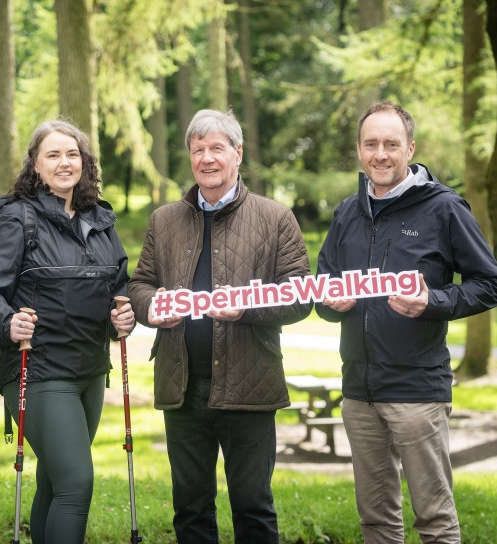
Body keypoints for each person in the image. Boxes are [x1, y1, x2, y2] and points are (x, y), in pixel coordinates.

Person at [315, 100, 497, 543]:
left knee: (435, 521)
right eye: (370, 144)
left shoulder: (443, 209)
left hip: (417, 392)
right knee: (376, 522)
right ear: (360, 151)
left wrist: (433, 301)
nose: (380, 154)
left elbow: (490, 283)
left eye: (390, 144)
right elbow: (323, 288)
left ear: (410, 148)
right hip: (358, 393)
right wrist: (332, 304)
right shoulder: (347, 212)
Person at [127, 108, 312, 544]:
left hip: (250, 386)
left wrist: (245, 308)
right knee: (190, 508)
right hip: (182, 386)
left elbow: (301, 294)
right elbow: (139, 285)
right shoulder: (163, 220)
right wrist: (154, 306)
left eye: (216, 148)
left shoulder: (275, 218)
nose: (207, 158)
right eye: (198, 150)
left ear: (237, 153)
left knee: (253, 506)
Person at [0, 120, 134, 544]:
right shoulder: (14, 219)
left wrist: (122, 315)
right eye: (54, 155)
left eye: (73, 154)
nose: (65, 163)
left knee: (55, 483)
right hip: (38, 372)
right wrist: (7, 323)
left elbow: (118, 287)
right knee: (76, 485)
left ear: (85, 162)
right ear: (35, 166)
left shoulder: (101, 219)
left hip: (91, 372)